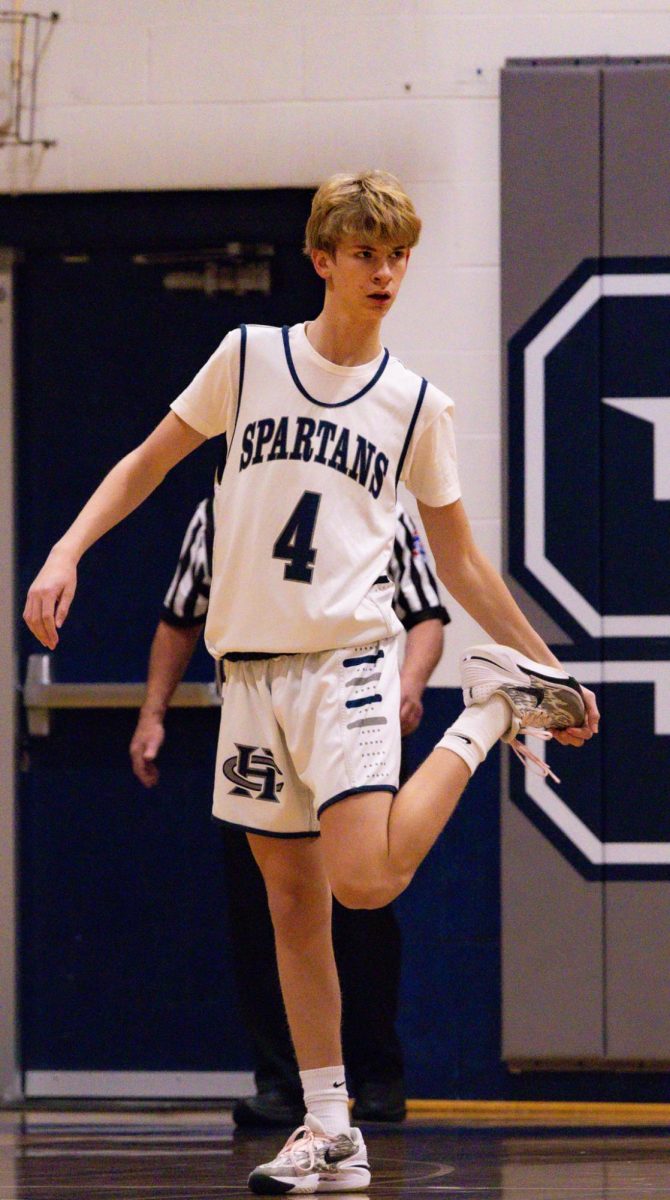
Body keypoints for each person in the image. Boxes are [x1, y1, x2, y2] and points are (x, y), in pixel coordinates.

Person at [25, 170, 599, 1195]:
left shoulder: (416, 403)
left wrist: (544, 663)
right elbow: (146, 463)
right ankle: (329, 1126)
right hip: (248, 674)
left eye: (398, 255)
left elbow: (462, 562)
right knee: (293, 907)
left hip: (349, 662)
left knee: (364, 880)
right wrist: (67, 550)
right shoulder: (245, 360)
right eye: (365, 253)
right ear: (322, 259)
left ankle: (484, 713)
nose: (385, 272)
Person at [129, 495, 448, 1126]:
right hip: (256, 718)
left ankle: (376, 1074)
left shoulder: (379, 494)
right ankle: (288, 1087)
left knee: (363, 900)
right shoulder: (219, 508)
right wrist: (153, 710)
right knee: (266, 910)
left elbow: (429, 615)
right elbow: (178, 618)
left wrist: (409, 685)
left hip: (349, 713)